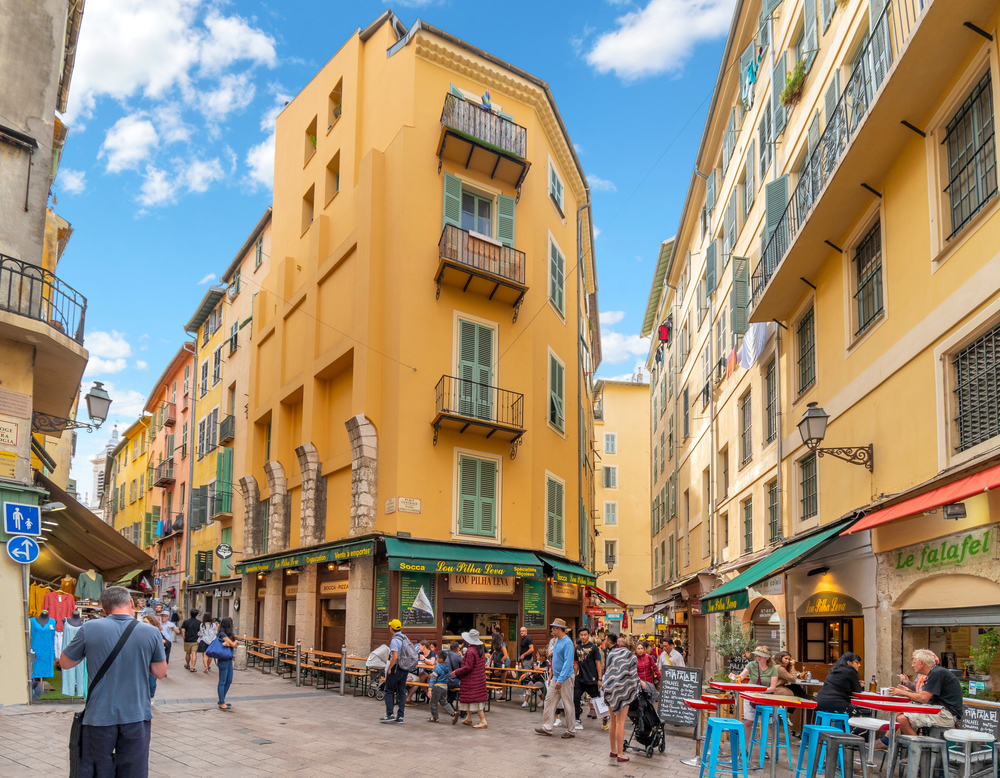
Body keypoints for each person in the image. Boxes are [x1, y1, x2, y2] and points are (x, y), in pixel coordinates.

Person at [60, 586, 167, 777]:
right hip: (136, 715)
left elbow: (65, 663)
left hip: (99, 716)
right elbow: (160, 672)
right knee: (133, 771)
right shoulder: (151, 632)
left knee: (97, 770)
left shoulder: (89, 628)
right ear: (132, 604)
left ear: (103, 608)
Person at [888, 649, 963, 736]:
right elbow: (925, 696)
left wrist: (903, 693)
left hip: (947, 714)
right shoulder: (934, 672)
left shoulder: (936, 673)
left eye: (914, 662)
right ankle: (888, 741)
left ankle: (917, 747)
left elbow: (923, 699)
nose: (912, 665)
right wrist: (908, 691)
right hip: (938, 710)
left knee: (902, 718)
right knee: (899, 712)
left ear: (921, 663)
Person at [604, 636, 643, 763]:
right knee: (621, 722)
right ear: (633, 647)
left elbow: (607, 670)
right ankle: (621, 754)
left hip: (609, 688)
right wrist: (638, 686)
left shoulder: (612, 653)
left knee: (613, 721)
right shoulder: (632, 657)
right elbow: (633, 676)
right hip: (623, 690)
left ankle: (613, 750)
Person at [535, 618, 576, 738]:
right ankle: (547, 727)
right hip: (556, 677)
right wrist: (552, 674)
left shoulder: (567, 643)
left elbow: (568, 663)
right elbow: (555, 660)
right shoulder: (556, 641)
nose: (552, 629)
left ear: (559, 629)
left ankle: (571, 730)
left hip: (565, 678)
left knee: (568, 704)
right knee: (549, 700)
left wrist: (560, 679)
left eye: (553, 628)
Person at [731, 646, 780, 740]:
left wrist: (760, 691)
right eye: (757, 655)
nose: (758, 657)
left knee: (765, 723)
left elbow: (772, 687)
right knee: (748, 722)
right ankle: (745, 749)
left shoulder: (773, 668)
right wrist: (734, 677)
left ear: (767, 658)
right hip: (750, 696)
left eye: (761, 656)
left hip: (765, 697)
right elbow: (740, 677)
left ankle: (764, 749)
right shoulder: (751, 665)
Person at [452, 629, 488, 729]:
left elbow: (468, 667)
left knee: (474, 699)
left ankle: (483, 720)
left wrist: (456, 672)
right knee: (473, 699)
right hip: (479, 679)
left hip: (472, 680)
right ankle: (469, 717)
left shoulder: (470, 651)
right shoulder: (480, 650)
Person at [380, 619, 410, 724]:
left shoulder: (394, 640)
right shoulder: (405, 637)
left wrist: (389, 668)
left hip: (396, 668)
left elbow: (395, 657)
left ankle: (390, 714)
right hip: (405, 668)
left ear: (391, 628)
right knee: (401, 692)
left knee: (388, 690)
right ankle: (400, 716)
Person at [574, 627, 603, 730]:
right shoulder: (577, 648)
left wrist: (600, 679)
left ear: (588, 635)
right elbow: (576, 664)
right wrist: (574, 675)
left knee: (598, 700)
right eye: (581, 635)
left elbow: (598, 664)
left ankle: (604, 720)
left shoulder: (594, 648)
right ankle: (577, 719)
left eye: (585, 635)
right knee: (576, 698)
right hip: (580, 679)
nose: (583, 637)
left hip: (592, 679)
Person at [427, 650, 458, 723]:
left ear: (440, 659)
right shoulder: (447, 667)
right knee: (444, 702)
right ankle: (453, 713)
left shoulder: (437, 667)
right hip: (445, 687)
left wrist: (429, 689)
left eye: (437, 657)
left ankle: (435, 717)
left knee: (433, 703)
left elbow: (433, 679)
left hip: (437, 687)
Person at [215, 617, 238, 711]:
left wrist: (233, 643)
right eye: (232, 622)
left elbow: (234, 645)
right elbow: (234, 645)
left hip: (229, 659)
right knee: (222, 681)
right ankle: (221, 702)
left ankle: (222, 699)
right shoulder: (222, 634)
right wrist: (235, 642)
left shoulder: (229, 634)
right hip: (223, 659)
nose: (233, 623)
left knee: (229, 680)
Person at [142, 616, 162, 709]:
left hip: (152, 663)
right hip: (141, 663)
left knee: (151, 683)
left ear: (152, 624)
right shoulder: (138, 633)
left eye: (146, 622)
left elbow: (167, 643)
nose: (143, 624)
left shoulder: (156, 633)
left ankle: (150, 696)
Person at [181, 608, 201, 673]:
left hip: (187, 639)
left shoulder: (186, 622)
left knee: (187, 653)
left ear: (190, 614)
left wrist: (184, 638)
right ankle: (192, 667)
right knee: (194, 653)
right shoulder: (199, 623)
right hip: (195, 640)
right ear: (197, 615)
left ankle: (187, 665)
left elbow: (183, 630)